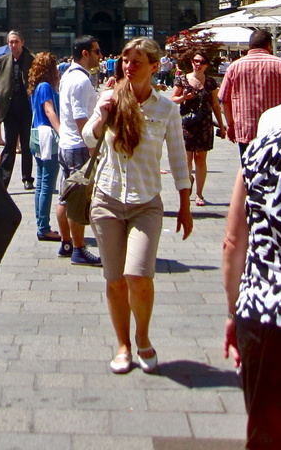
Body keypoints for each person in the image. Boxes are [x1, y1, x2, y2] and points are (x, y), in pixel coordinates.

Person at [223, 30, 281, 448]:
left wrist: (233, 313)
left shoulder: (260, 153)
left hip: (267, 318)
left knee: (274, 438)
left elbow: (232, 243)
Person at [84, 37, 192, 374]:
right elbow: (88, 138)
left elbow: (177, 157)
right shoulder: (111, 97)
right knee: (115, 279)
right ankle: (123, 345)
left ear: (155, 67)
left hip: (146, 203)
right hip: (107, 199)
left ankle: (143, 337)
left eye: (137, 62)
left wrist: (186, 205)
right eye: (126, 61)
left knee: (139, 275)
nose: (129, 67)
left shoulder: (166, 108)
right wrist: (102, 115)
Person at [56, 35, 103, 265]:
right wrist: (92, 147)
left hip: (65, 144)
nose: (100, 56)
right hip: (77, 145)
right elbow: (81, 117)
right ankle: (79, 248)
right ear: (85, 53)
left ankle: (66, 244)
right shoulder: (82, 81)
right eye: (96, 52)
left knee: (64, 196)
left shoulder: (68, 75)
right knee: (77, 199)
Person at [219, 28, 281, 157]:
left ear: (250, 45)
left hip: (246, 129)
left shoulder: (235, 66)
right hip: (276, 130)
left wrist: (230, 126)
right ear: (268, 45)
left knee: (248, 170)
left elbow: (225, 100)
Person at [172, 51, 226, 205]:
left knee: (200, 158)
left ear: (206, 65)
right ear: (192, 63)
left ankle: (199, 194)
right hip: (187, 124)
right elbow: (174, 99)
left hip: (204, 124)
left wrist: (222, 126)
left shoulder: (210, 83)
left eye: (202, 61)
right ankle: (188, 182)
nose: (198, 64)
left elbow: (216, 105)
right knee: (187, 158)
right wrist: (184, 97)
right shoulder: (183, 79)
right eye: (196, 61)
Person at [0, 29, 35, 190]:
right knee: (9, 145)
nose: (13, 45)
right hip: (10, 108)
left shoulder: (31, 59)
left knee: (26, 144)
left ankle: (27, 178)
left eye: (16, 41)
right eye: (11, 42)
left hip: (27, 107)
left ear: (22, 42)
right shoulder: (3, 60)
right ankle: (4, 180)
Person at [28, 51, 61, 242]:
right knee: (47, 182)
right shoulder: (46, 87)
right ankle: (44, 227)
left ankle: (41, 224)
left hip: (37, 137)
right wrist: (62, 133)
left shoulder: (36, 87)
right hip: (48, 136)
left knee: (41, 183)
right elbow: (49, 111)